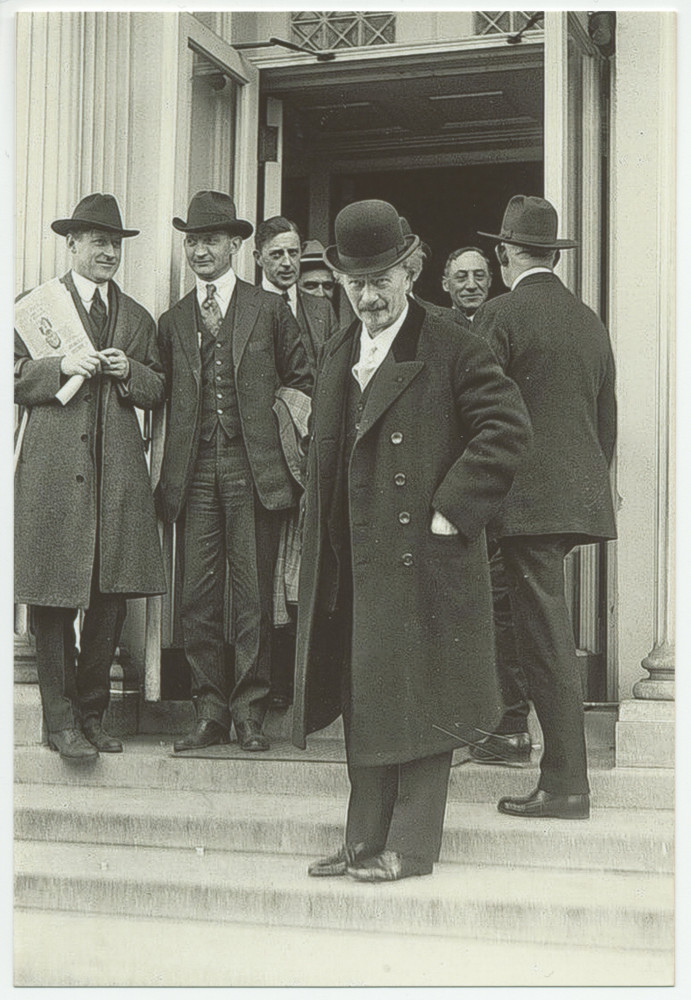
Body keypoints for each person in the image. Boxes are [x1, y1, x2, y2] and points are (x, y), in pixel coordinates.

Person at [293, 200, 531, 882]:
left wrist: (449, 512)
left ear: (410, 269)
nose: (368, 297)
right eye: (355, 283)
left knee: (423, 699)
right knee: (367, 699)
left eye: (382, 280)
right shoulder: (340, 347)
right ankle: (361, 838)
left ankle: (412, 847)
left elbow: (506, 430)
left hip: (424, 557)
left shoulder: (453, 343)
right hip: (355, 561)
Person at [472, 194, 617, 818]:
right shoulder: (589, 319)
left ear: (506, 253)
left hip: (520, 504)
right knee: (541, 626)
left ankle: (565, 785)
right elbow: (605, 421)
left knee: (546, 638)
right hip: (572, 500)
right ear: (551, 255)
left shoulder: (501, 315)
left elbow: (475, 415)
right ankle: (547, 765)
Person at [157, 191, 313, 753]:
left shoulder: (267, 309)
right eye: (193, 241)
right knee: (197, 598)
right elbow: (159, 390)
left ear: (236, 246)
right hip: (194, 472)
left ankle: (250, 713)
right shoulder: (173, 319)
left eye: (212, 241)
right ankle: (209, 712)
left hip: (254, 470)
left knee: (251, 597)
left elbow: (304, 380)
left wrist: (279, 438)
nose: (201, 250)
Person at [15, 193, 166, 760]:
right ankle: (60, 722)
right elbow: (11, 374)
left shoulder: (138, 318)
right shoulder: (34, 309)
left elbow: (159, 388)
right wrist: (59, 367)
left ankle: (94, 715)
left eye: (115, 244)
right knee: (53, 600)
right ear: (72, 244)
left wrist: (132, 372)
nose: (108, 252)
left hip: (117, 479)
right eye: (97, 241)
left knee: (109, 600)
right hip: (54, 477)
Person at [254, 217, 337, 372]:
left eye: (293, 253)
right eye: (277, 254)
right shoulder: (245, 308)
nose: (287, 263)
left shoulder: (323, 309)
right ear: (258, 258)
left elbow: (335, 369)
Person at [442, 247, 493, 326]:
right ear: (446, 285)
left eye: (479, 276)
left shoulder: (502, 324)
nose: (471, 286)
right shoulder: (437, 325)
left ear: (489, 281)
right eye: (461, 277)